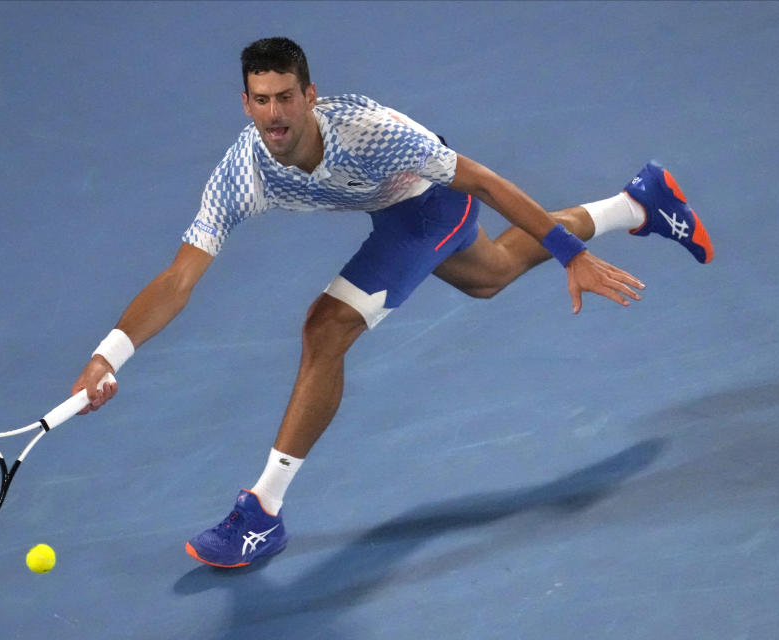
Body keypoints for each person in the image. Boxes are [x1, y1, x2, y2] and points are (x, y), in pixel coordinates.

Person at [71, 37, 713, 568]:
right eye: (261, 100)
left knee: (327, 328)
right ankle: (637, 203)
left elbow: (484, 181)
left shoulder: (371, 134)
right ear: (245, 103)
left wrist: (573, 258)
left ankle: (262, 511)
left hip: (427, 200)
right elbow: (181, 277)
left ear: (309, 95)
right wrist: (109, 356)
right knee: (487, 276)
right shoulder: (243, 171)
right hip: (389, 212)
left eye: (286, 98)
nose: (275, 115)